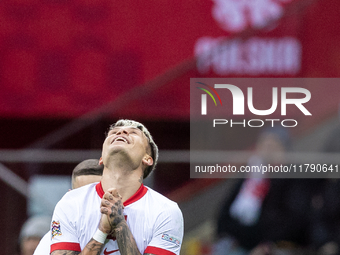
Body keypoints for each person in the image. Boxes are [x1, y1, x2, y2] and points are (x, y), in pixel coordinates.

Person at [50, 119, 184, 255]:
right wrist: (101, 231)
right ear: (101, 158)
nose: (121, 132)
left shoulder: (166, 211)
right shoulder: (70, 202)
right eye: (113, 133)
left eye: (133, 133)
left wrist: (120, 225)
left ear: (147, 158)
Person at [33, 159, 104, 255]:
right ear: (70, 196)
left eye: (96, 193)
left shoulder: (126, 227)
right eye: (83, 195)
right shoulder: (48, 244)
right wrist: (102, 233)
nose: (90, 200)